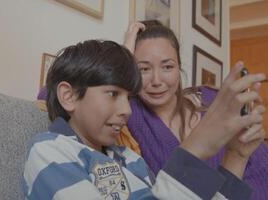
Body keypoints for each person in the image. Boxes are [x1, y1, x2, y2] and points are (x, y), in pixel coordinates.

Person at [24, 39, 265, 199]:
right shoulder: (50, 150)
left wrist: (237, 156)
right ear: (68, 96)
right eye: (113, 93)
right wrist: (196, 147)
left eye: (129, 97)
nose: (127, 110)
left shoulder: (129, 158)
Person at [119, 20, 268, 199]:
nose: (157, 80)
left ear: (179, 67)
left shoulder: (211, 98)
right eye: (143, 69)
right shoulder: (131, 114)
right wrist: (123, 58)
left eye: (167, 66)